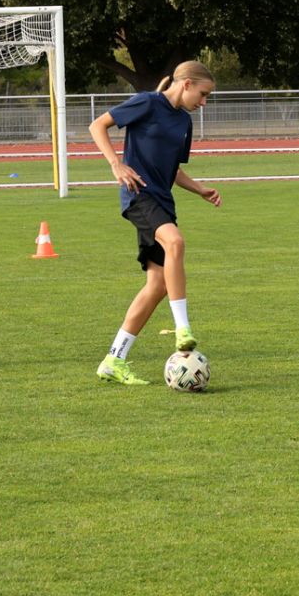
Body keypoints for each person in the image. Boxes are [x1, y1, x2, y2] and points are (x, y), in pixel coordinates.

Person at [88, 61, 222, 385]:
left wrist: (200, 189)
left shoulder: (183, 122)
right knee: (175, 242)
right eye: (203, 95)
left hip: (163, 201)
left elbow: (173, 169)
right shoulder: (148, 102)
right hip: (138, 196)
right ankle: (183, 330)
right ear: (187, 84)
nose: (203, 103)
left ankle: (114, 359)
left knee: (158, 285)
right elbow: (98, 125)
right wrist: (116, 164)